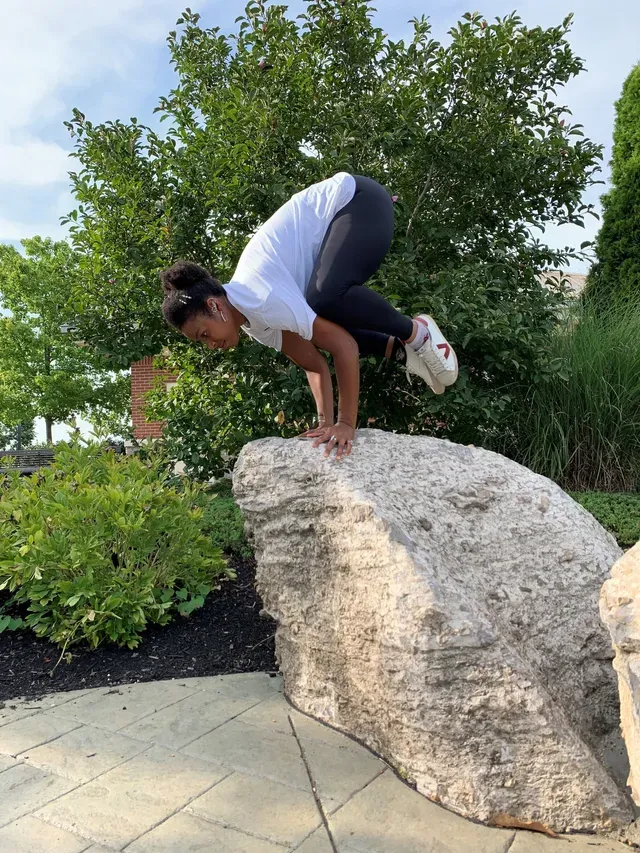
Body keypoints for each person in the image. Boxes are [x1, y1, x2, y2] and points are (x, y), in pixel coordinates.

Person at [161, 173, 458, 459]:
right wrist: (324, 425)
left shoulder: (261, 297)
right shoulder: (255, 323)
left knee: (325, 300)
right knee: (323, 322)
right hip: (349, 217)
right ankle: (401, 350)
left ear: (214, 306)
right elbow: (314, 363)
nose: (210, 345)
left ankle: (417, 332)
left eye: (204, 334)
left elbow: (345, 348)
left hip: (359, 201)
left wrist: (345, 424)